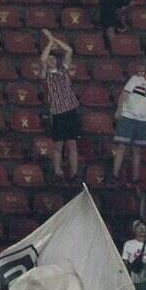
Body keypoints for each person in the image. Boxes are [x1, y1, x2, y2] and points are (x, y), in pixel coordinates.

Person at [110, 60, 146, 184]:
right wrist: (119, 110)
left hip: (142, 121)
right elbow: (124, 94)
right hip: (128, 116)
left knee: (137, 150)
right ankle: (115, 174)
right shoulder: (136, 79)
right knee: (122, 146)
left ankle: (135, 178)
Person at [39, 29, 81, 180]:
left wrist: (54, 38)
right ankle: (58, 172)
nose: (51, 60)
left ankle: (74, 173)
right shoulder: (46, 76)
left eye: (53, 58)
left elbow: (69, 50)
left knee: (72, 144)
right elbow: (42, 60)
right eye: (50, 59)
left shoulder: (63, 71)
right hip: (57, 112)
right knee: (58, 145)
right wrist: (50, 42)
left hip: (70, 110)